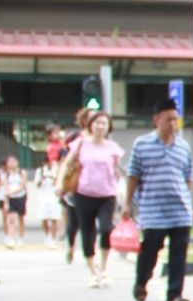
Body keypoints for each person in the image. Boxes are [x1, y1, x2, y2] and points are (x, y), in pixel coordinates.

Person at [125, 97, 193, 301]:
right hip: (153, 210)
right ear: (156, 120)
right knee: (150, 252)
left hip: (180, 211)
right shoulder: (142, 144)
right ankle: (141, 282)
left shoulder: (183, 146)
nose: (172, 124)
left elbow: (188, 175)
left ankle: (174, 294)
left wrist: (188, 200)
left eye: (175, 120)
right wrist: (127, 203)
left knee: (178, 255)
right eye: (168, 120)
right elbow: (133, 175)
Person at [68, 110, 124, 288]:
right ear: (90, 125)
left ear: (109, 128)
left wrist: (122, 189)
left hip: (107, 194)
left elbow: (118, 170)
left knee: (107, 228)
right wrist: (60, 184)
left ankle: (104, 267)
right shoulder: (80, 144)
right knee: (87, 231)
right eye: (97, 123)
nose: (100, 126)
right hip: (84, 193)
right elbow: (67, 164)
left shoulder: (113, 148)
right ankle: (93, 271)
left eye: (104, 123)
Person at [62, 108, 94, 264]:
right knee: (74, 220)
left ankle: (91, 253)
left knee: (91, 221)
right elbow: (65, 160)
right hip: (78, 183)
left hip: (96, 186)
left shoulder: (103, 139)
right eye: (91, 118)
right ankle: (71, 245)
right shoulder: (77, 138)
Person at [0, 154, 28, 248]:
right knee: (11, 218)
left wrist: (13, 191)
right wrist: (6, 201)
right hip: (11, 198)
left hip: (20, 196)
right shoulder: (6, 175)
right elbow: (5, 188)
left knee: (20, 218)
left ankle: (21, 237)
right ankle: (11, 237)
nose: (11, 163)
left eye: (13, 161)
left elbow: (22, 185)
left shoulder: (22, 172)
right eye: (9, 162)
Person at [32, 153, 62, 246]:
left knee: (54, 219)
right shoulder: (39, 171)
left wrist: (53, 177)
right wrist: (42, 178)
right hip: (43, 198)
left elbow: (57, 183)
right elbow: (37, 185)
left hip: (54, 198)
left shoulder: (56, 170)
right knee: (44, 219)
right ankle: (47, 235)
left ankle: (53, 238)